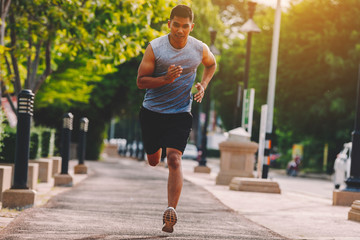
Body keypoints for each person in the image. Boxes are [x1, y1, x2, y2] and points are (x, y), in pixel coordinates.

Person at [136, 5, 217, 233]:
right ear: (169, 23)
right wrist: (164, 79)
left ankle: (170, 211)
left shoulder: (199, 48)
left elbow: (211, 64)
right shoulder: (156, 48)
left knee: (174, 160)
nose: (180, 31)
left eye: (185, 26)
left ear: (192, 27)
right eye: (176, 25)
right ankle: (156, 152)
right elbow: (141, 81)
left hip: (180, 113)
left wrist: (203, 85)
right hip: (152, 112)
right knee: (154, 160)